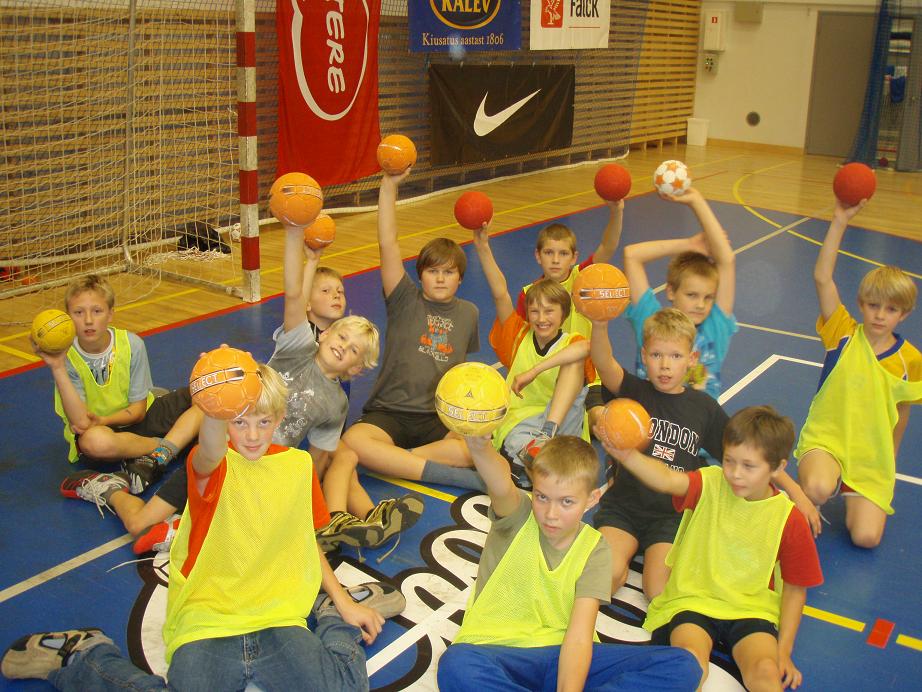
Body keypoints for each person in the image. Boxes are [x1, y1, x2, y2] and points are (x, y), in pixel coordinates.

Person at [2, 363, 405, 691]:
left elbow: (303, 539)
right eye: (239, 422)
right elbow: (209, 450)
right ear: (225, 422)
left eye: (263, 422)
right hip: (207, 620)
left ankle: (332, 616)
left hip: (277, 617)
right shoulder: (213, 464)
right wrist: (214, 400)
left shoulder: (297, 467)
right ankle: (82, 656)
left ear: (279, 418)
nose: (251, 435)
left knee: (344, 686)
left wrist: (343, 601)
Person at [437, 435, 699, 692]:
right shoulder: (518, 517)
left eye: (566, 502)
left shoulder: (595, 547)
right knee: (457, 664)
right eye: (542, 497)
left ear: (591, 499)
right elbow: (500, 482)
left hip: (564, 654)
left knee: (683, 665)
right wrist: (479, 447)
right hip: (497, 651)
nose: (551, 514)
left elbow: (579, 637)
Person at [599, 406, 823, 691]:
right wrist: (628, 456)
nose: (735, 474)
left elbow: (794, 590)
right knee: (688, 661)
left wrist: (784, 651)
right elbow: (667, 479)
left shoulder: (788, 519)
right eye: (729, 461)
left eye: (748, 466)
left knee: (765, 671)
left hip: (750, 609)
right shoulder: (709, 482)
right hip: (694, 600)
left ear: (778, 468)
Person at [271, 222, 422, 551]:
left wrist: (304, 495)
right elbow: (294, 295)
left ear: (356, 367)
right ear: (325, 334)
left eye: (353, 350)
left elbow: (318, 455)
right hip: (255, 444)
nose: (343, 346)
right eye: (325, 291)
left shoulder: (338, 393)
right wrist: (305, 252)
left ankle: (354, 519)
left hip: (287, 456)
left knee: (341, 457)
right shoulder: (299, 344)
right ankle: (338, 517)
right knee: (345, 456)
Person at [342, 169, 482, 490]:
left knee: (472, 448)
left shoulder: (469, 313)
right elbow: (387, 242)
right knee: (354, 441)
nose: (441, 278)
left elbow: (461, 370)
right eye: (432, 271)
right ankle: (446, 474)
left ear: (460, 278)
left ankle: (399, 460)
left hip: (438, 416)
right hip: (389, 412)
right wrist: (388, 185)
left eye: (449, 272)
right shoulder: (403, 298)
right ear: (420, 276)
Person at [795, 199, 922, 548]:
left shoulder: (910, 360)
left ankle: (854, 488)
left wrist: (888, 462)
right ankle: (823, 480)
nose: (880, 315)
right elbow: (822, 277)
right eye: (874, 305)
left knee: (866, 537)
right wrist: (839, 220)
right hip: (828, 440)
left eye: (891, 309)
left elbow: (902, 414)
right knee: (817, 487)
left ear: (904, 314)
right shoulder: (843, 333)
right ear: (862, 304)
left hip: (870, 457)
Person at [590, 308, 728, 600]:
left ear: (692, 359)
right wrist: (599, 324)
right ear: (644, 356)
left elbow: (739, 452)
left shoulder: (704, 408)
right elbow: (603, 363)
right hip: (624, 508)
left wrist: (789, 491)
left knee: (658, 592)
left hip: (671, 516)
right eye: (656, 355)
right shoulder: (635, 390)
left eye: (676, 356)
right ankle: (621, 570)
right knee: (604, 577)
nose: (665, 365)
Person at [38, 274, 202, 493]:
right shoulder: (67, 357)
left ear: (110, 314)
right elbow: (82, 424)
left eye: (97, 311)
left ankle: (154, 450)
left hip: (140, 416)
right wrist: (57, 367)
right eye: (78, 312)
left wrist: (104, 419)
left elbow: (138, 412)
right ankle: (167, 447)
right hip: (104, 431)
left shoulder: (131, 344)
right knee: (94, 442)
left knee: (208, 395)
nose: (88, 320)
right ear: (68, 317)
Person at [472, 222, 590, 488]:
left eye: (549, 312)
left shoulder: (573, 341)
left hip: (561, 425)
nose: (541, 318)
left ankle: (543, 448)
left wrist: (535, 370)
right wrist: (483, 247)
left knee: (574, 363)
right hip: (523, 424)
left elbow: (585, 349)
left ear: (563, 314)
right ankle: (541, 465)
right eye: (535, 311)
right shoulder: (518, 335)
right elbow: (500, 293)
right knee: (523, 448)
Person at [517, 201, 624, 433]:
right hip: (548, 378)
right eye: (549, 253)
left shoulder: (583, 279)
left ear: (574, 257)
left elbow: (608, 246)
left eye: (563, 253)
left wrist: (617, 211)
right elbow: (523, 346)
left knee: (600, 422)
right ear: (538, 256)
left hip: (588, 374)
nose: (556, 260)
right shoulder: (528, 295)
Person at [621, 187, 736, 401]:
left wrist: (696, 200)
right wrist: (689, 244)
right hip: (648, 417)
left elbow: (727, 260)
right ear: (671, 291)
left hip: (696, 421)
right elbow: (632, 256)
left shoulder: (715, 328)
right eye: (692, 295)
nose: (700, 304)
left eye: (708, 297)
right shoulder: (651, 322)